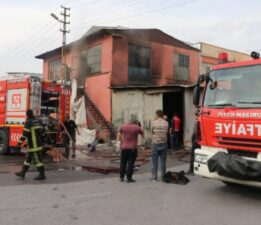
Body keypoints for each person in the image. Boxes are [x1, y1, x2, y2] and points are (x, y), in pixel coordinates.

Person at [15, 109, 46, 180]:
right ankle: (22, 173)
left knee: (38, 161)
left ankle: (42, 175)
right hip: (37, 144)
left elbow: (24, 135)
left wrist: (19, 143)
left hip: (33, 145)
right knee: (28, 159)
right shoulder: (38, 121)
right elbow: (43, 132)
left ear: (27, 115)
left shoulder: (28, 122)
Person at [117, 114, 144, 183]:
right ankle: (129, 178)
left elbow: (118, 137)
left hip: (124, 148)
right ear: (136, 120)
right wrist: (142, 139)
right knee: (131, 163)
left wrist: (121, 142)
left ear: (129, 120)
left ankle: (121, 177)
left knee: (123, 162)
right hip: (132, 148)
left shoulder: (123, 126)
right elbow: (142, 133)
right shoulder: (137, 127)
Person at [151, 110, 169, 181]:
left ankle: (154, 177)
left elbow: (152, 132)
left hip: (155, 143)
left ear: (157, 115)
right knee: (163, 161)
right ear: (162, 115)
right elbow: (167, 132)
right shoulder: (166, 123)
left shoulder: (154, 123)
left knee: (154, 161)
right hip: (164, 143)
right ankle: (163, 177)